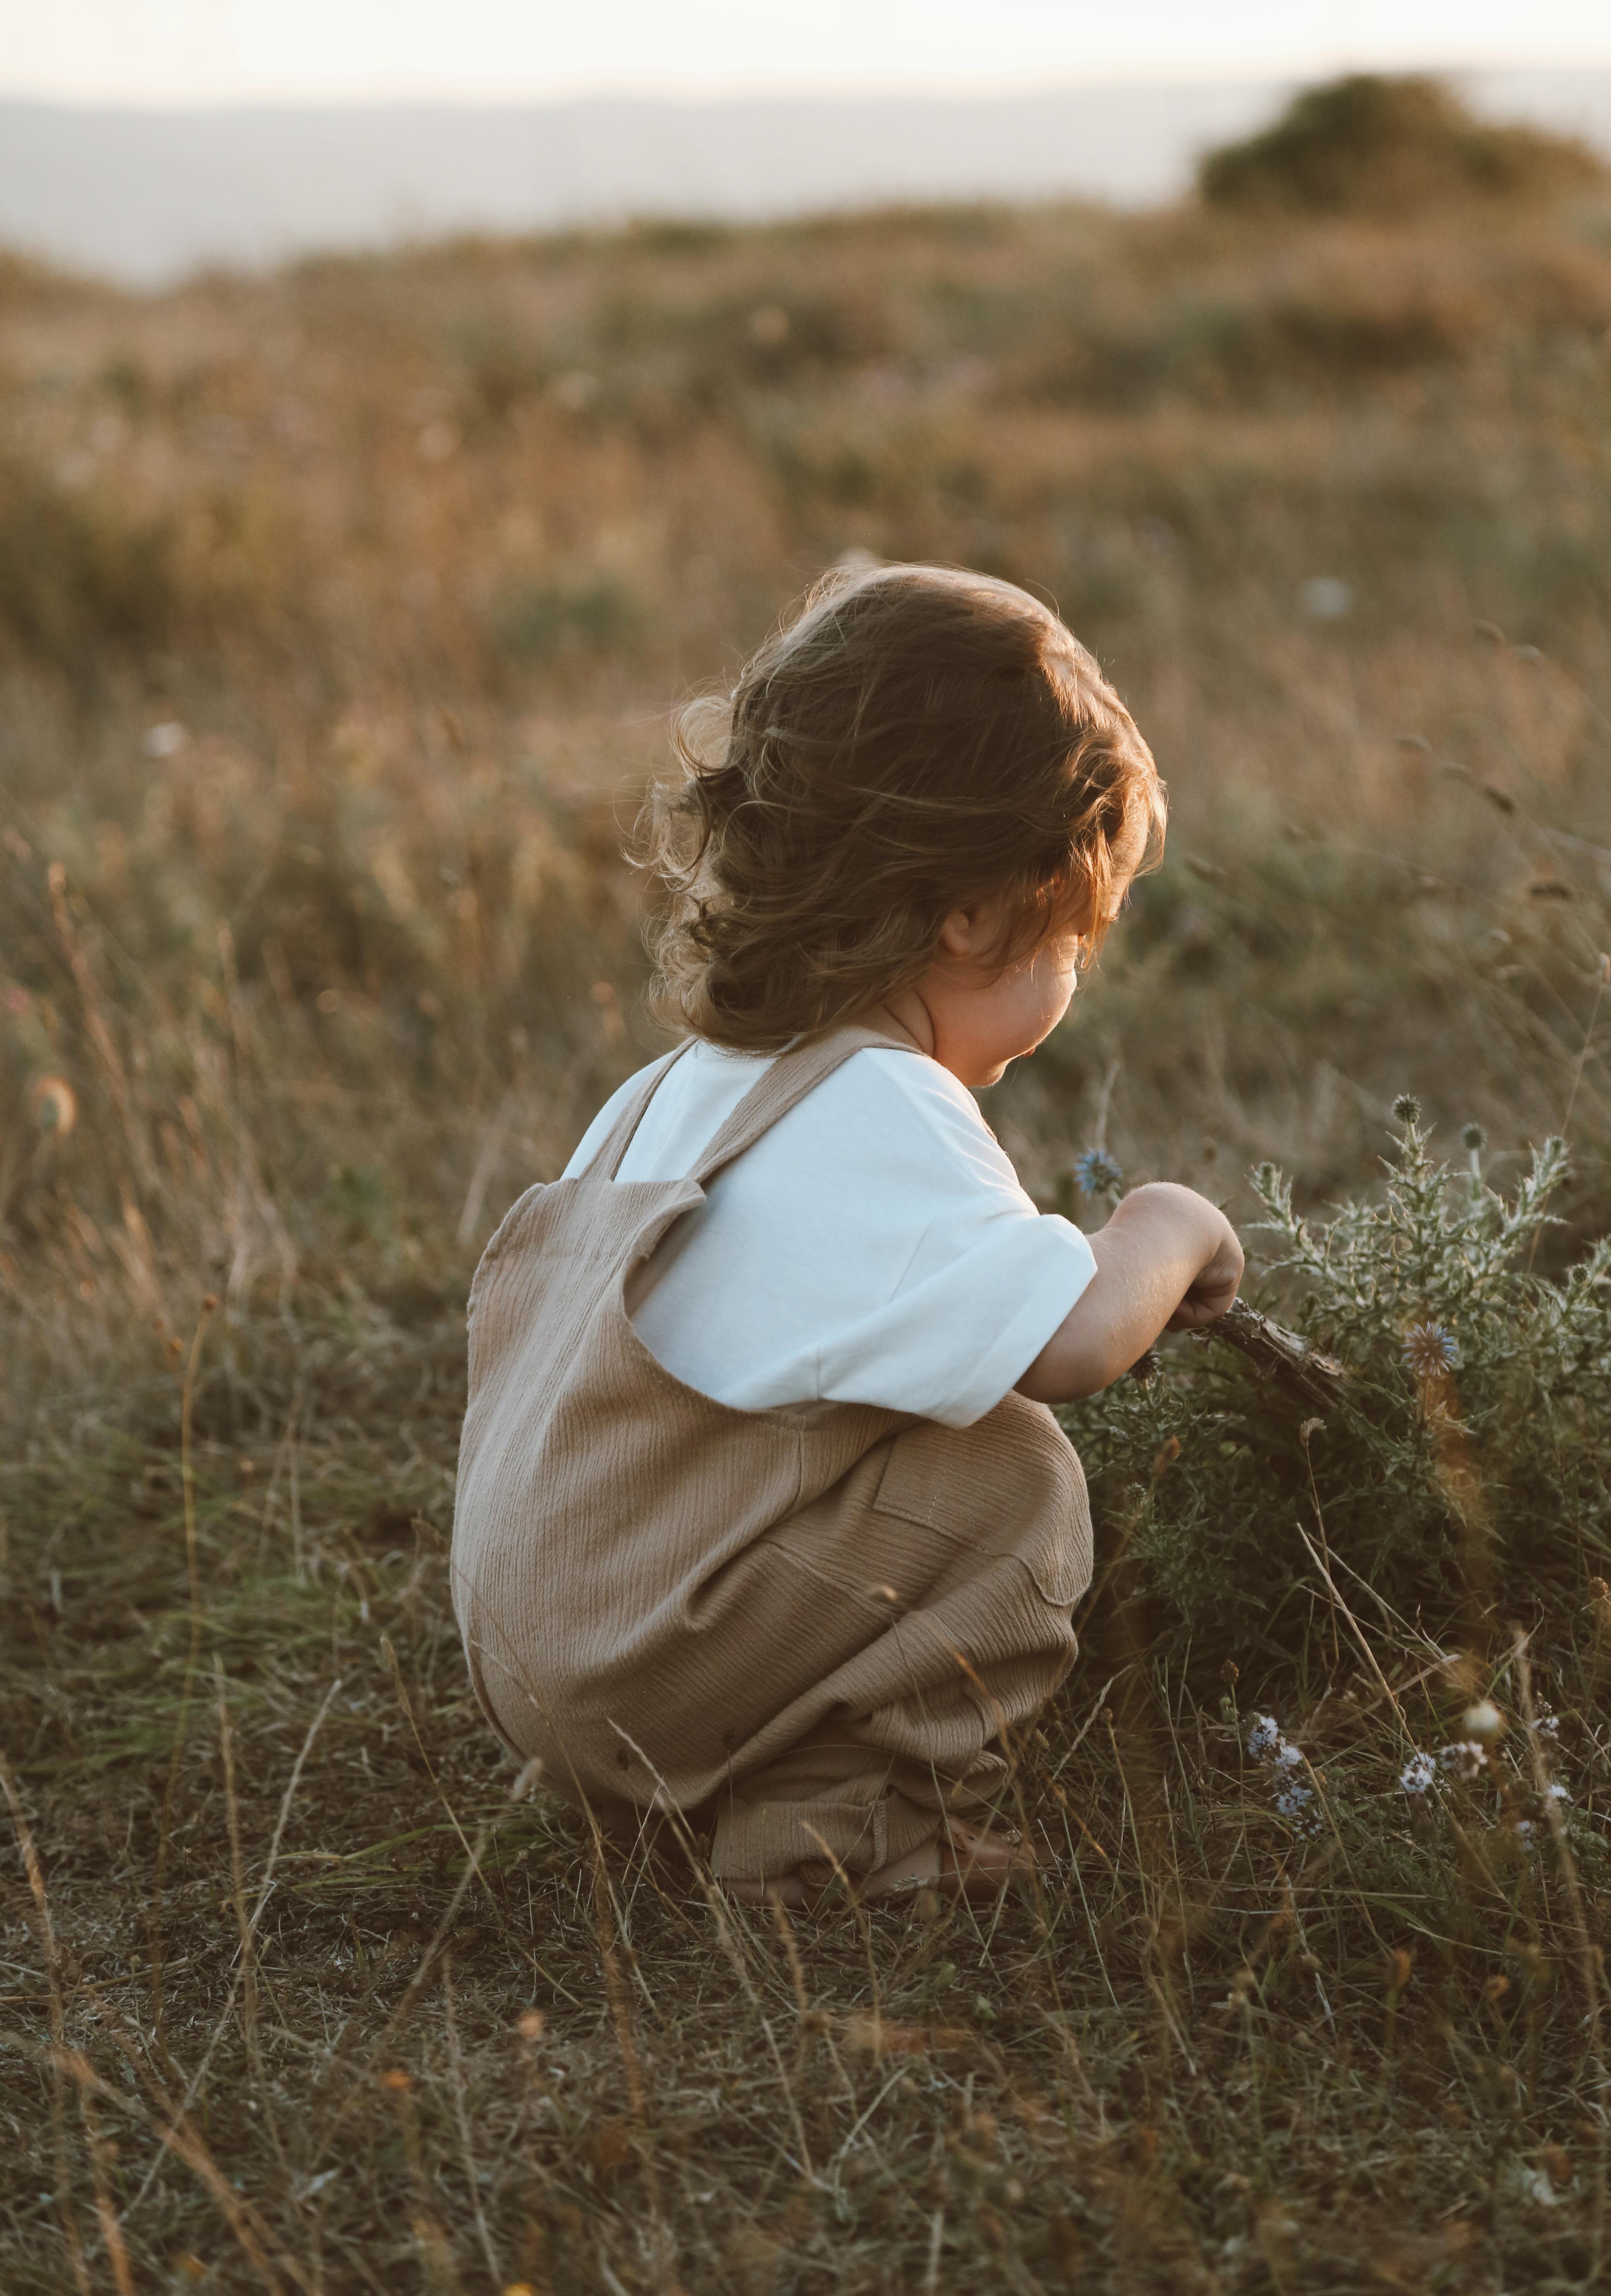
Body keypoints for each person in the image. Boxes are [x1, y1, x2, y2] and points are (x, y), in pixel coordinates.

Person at [452, 564, 1242, 1907]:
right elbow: (1076, 1340)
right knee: (1010, 1481)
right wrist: (1167, 1225)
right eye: (1078, 938)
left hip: (536, 1657)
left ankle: (668, 1780)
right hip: (646, 1651)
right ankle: (851, 1834)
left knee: (890, 1442)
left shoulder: (672, 1093)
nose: (1077, 977)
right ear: (975, 912)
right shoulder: (880, 1100)